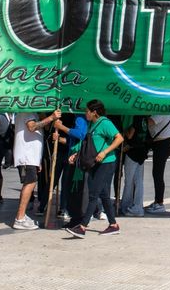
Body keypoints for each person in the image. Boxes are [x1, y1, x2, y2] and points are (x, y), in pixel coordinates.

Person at [66, 101, 124, 238]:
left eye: (87, 111)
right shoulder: (92, 125)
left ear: (94, 112)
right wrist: (77, 154)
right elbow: (89, 144)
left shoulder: (105, 123)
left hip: (107, 163)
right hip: (96, 163)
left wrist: (105, 152)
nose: (85, 113)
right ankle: (113, 225)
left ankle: (82, 227)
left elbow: (119, 138)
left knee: (93, 194)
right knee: (103, 194)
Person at [13, 109, 61, 230]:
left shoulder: (32, 114)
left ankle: (21, 216)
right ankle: (20, 218)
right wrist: (51, 117)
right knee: (29, 184)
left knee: (30, 183)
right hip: (26, 156)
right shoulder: (28, 112)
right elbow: (32, 127)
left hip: (31, 157)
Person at [120, 115, 149, 217]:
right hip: (141, 150)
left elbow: (130, 135)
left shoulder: (136, 118)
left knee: (129, 181)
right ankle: (138, 206)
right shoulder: (144, 118)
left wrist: (124, 128)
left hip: (132, 151)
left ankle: (125, 205)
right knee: (139, 180)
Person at [146, 114, 170, 213]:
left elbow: (150, 122)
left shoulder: (162, 111)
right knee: (157, 174)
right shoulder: (163, 110)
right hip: (160, 143)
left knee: (158, 174)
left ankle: (159, 203)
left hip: (163, 144)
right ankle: (157, 200)